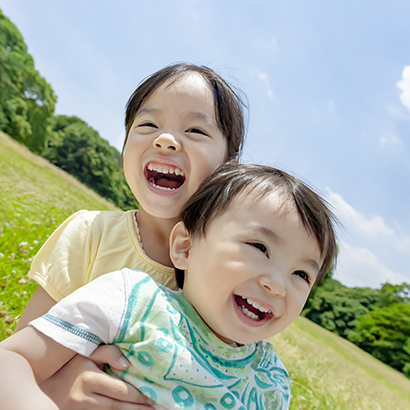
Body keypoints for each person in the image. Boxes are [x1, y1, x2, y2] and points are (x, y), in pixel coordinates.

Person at [0, 163, 338, 410]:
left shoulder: (270, 381)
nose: (278, 285)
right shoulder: (132, 300)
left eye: (301, 275)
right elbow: (12, 360)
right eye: (259, 248)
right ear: (185, 248)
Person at [12, 62, 246, 408]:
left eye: (196, 131)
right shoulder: (91, 235)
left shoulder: (224, 278)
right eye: (148, 124)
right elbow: (18, 362)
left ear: (230, 166)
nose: (165, 139)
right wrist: (61, 386)